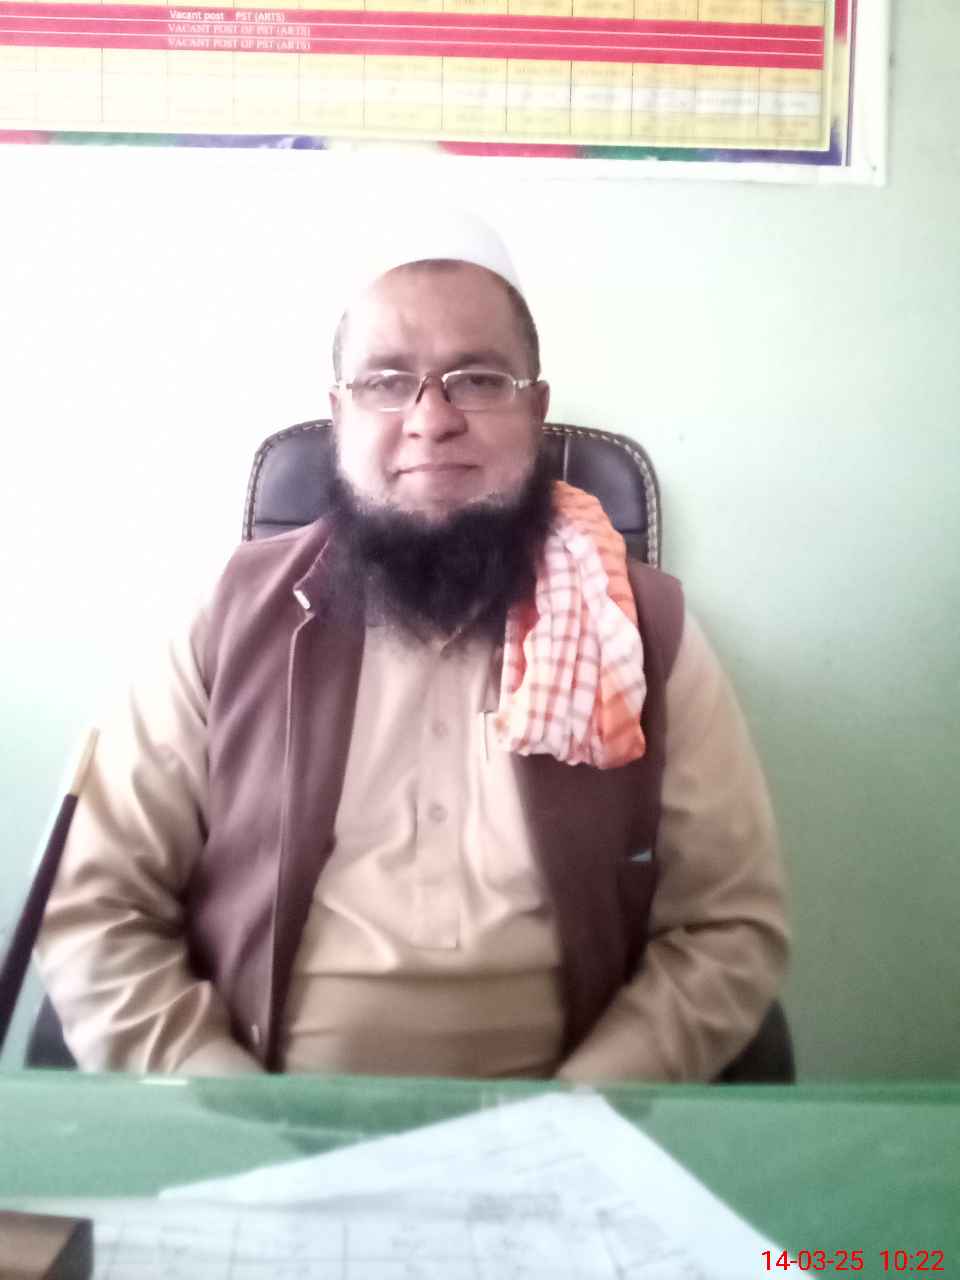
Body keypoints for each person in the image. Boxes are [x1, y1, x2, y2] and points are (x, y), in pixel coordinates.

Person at [36, 211, 788, 1081]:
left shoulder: (644, 631)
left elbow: (728, 927)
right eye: (386, 381)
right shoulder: (226, 621)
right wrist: (224, 1105)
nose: (431, 420)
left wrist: (584, 1110)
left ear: (536, 410)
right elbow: (95, 906)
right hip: (257, 1116)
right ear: (338, 416)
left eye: (478, 380)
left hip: (570, 1120)